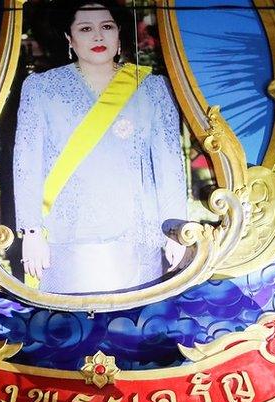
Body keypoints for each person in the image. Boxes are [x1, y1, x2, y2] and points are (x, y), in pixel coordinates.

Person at [13, 0, 188, 294]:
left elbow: (170, 164)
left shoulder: (152, 87)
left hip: (137, 235)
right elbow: (26, 163)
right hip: (65, 235)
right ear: (70, 38)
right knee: (68, 330)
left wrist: (176, 230)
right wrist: (30, 232)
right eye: (85, 28)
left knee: (134, 329)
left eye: (106, 27)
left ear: (119, 34)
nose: (97, 36)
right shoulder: (42, 88)